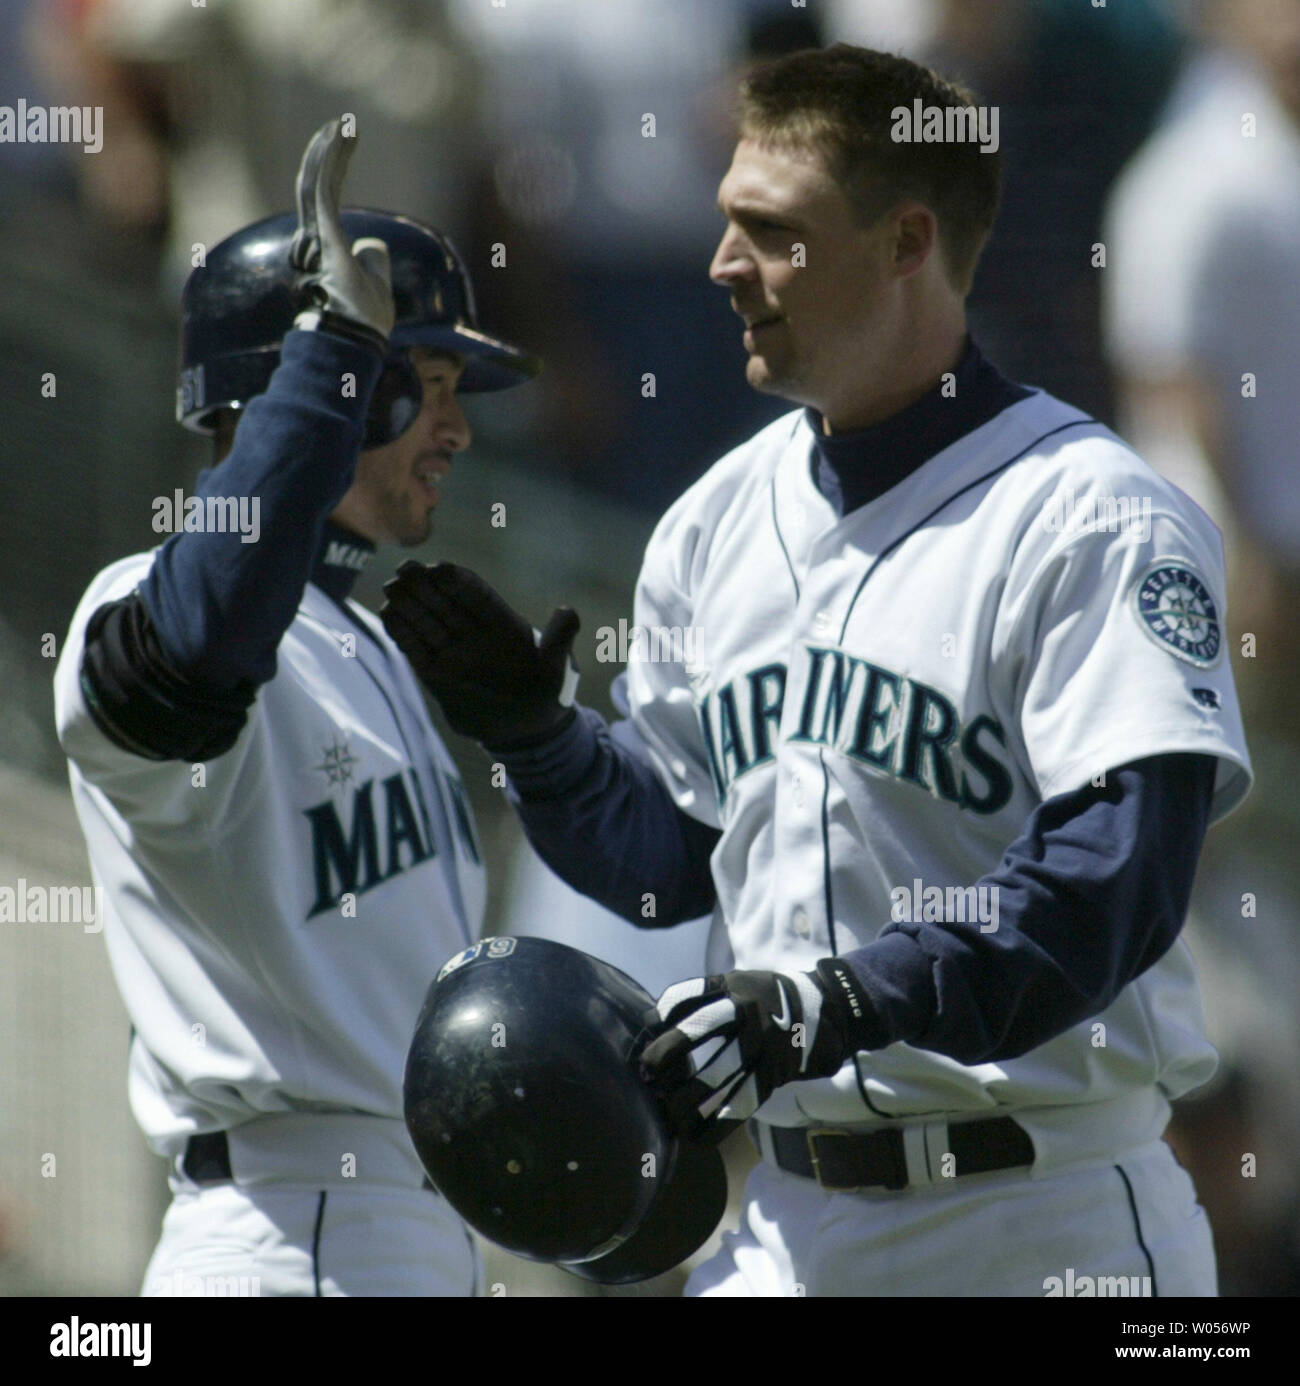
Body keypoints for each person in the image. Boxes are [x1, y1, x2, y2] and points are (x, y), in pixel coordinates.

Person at [380, 45, 1253, 1297]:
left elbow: (1108, 889)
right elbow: (672, 862)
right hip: (787, 1222)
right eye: (725, 222)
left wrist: (842, 1001)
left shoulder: (1094, 518)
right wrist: (540, 742)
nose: (725, 267)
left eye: (769, 232)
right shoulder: (712, 523)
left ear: (906, 242)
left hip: (1050, 1221)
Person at [53, 119, 538, 1297]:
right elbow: (195, 649)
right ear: (326, 385)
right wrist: (329, 364)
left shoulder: (377, 650)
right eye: (419, 388)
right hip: (288, 1224)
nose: (457, 429)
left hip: (412, 1225)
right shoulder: (141, 602)